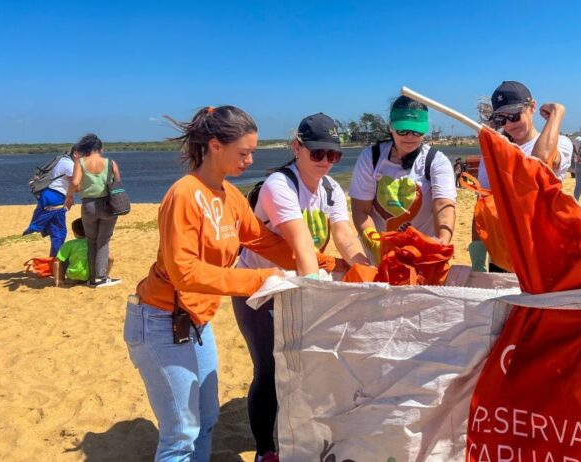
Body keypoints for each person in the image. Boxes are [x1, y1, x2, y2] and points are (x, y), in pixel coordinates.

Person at [124, 106, 316, 461]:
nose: (250, 160)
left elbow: (264, 242)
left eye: (253, 152)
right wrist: (259, 279)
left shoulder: (230, 197)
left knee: (208, 419)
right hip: (160, 320)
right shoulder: (184, 194)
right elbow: (185, 273)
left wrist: (323, 263)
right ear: (215, 146)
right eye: (243, 153)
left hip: (197, 322)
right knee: (181, 434)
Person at [232, 113, 369, 461]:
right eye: (317, 153)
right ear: (297, 148)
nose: (325, 161)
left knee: (308, 367)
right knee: (270, 368)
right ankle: (265, 449)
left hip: (300, 285)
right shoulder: (280, 185)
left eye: (334, 155)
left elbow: (344, 236)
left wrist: (369, 271)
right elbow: (301, 245)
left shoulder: (331, 188)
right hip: (259, 290)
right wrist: (315, 293)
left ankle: (302, 436)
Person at [469, 81, 573, 271]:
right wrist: (477, 258)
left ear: (532, 107)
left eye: (515, 116)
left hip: (543, 255)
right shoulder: (492, 155)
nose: (509, 125)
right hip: (502, 256)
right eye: (501, 119)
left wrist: (557, 113)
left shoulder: (561, 143)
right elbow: (481, 207)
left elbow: (539, 162)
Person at [349, 95, 457, 263]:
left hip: (421, 252)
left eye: (417, 131)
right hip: (378, 252)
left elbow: (443, 205)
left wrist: (442, 241)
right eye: (402, 130)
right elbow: (360, 210)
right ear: (391, 127)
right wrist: (377, 244)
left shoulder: (436, 161)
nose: (410, 136)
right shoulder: (371, 158)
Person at [64, 134, 121, 287]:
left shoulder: (80, 162)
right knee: (103, 241)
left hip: (88, 205)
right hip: (107, 205)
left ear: (85, 148)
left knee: (91, 241)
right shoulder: (110, 162)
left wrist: (69, 197)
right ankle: (101, 277)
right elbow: (117, 183)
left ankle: (91, 277)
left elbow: (75, 182)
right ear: (100, 148)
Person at [23, 147, 76, 257]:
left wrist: (70, 195)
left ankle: (53, 258)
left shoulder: (62, 159)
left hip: (48, 193)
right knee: (59, 232)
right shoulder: (71, 165)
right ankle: (56, 260)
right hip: (56, 197)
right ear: (76, 153)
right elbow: (76, 185)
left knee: (56, 230)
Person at [52, 217, 113, 286]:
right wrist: (105, 274)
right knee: (100, 256)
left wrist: (56, 279)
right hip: (92, 276)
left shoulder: (69, 244)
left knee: (62, 259)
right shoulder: (95, 243)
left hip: (73, 275)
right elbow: (110, 258)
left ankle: (61, 280)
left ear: (75, 232)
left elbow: (56, 262)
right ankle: (102, 278)